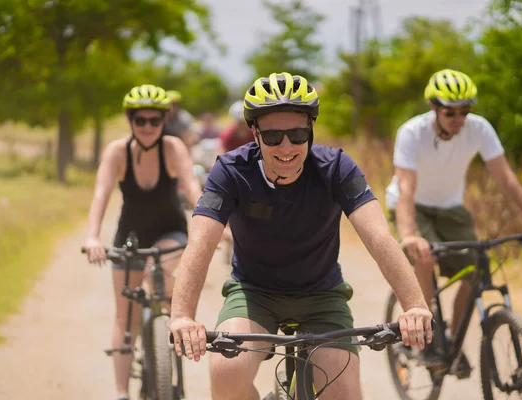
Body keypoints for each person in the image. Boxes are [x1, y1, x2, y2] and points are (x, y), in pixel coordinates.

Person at [169, 72, 433, 400]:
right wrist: (181, 315)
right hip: (253, 293)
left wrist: (414, 305)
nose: (286, 147)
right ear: (255, 133)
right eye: (273, 136)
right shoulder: (230, 170)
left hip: (321, 295)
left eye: (296, 134)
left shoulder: (337, 167)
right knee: (226, 373)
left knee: (344, 393)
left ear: (310, 129)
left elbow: (380, 237)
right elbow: (201, 242)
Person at [385, 69, 522, 366]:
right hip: (413, 206)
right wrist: (410, 235)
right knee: (424, 257)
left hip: (451, 208)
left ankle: (450, 337)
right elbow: (406, 189)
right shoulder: (412, 133)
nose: (459, 119)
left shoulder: (479, 129)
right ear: (434, 108)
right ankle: (427, 334)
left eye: (465, 111)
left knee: (476, 266)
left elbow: (506, 179)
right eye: (450, 112)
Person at [83, 84, 203, 400]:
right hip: (130, 239)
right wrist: (93, 236)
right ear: (130, 121)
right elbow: (101, 194)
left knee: (160, 277)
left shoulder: (173, 148)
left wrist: (209, 229)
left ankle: (166, 357)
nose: (148, 127)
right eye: (140, 121)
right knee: (126, 318)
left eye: (155, 120)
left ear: (164, 121)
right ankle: (122, 392)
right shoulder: (116, 152)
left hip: (169, 234)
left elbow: (192, 187)